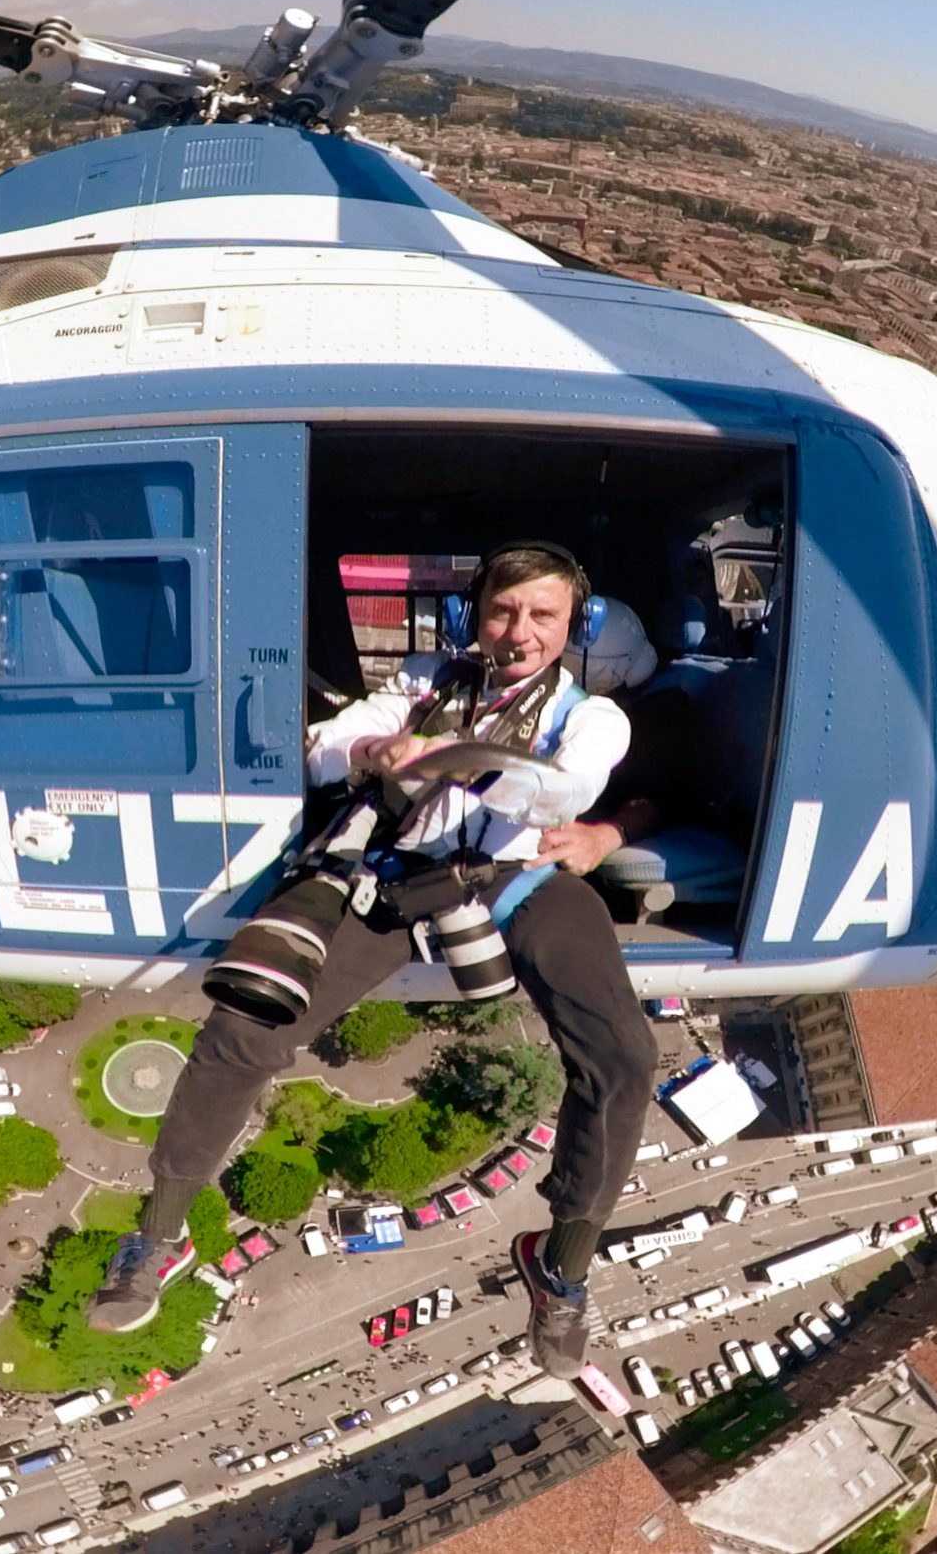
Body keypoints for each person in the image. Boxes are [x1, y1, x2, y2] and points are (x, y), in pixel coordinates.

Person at [86, 540, 659, 1376]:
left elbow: (564, 787)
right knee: (248, 1022)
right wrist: (367, 752)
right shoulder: (428, 679)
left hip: (514, 874)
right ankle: (158, 1234)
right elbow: (328, 739)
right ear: (477, 614)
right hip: (395, 878)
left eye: (543, 615)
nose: (520, 631)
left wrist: (450, 762)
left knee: (623, 1055)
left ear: (571, 627)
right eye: (504, 610)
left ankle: (562, 1263)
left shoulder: (590, 715)